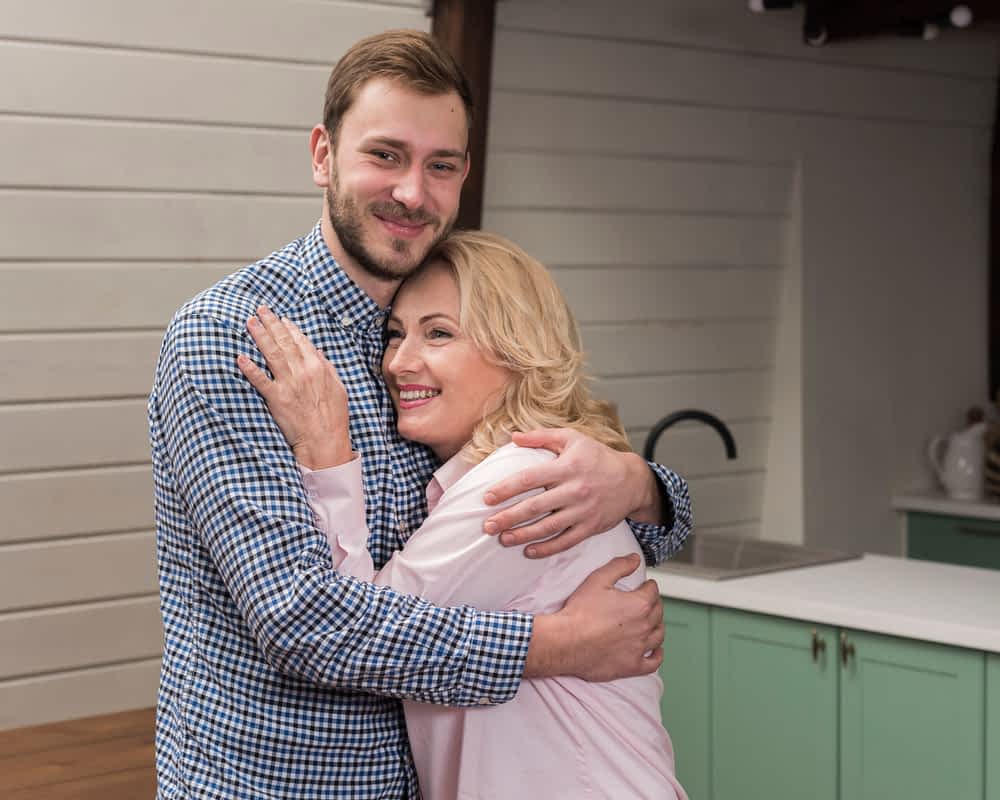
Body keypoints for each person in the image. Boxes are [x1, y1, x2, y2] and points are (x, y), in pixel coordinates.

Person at [148, 29, 691, 799]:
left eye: (442, 165)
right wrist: (556, 644)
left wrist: (640, 484)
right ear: (323, 155)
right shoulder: (235, 340)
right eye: (386, 155)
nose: (412, 192)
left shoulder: (452, 316)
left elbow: (560, 527)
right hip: (277, 783)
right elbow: (300, 619)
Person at [239, 230, 691, 799]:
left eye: (439, 334)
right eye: (396, 334)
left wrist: (328, 450)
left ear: (516, 353)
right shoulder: (519, 471)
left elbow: (364, 630)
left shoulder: (519, 481)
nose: (399, 362)